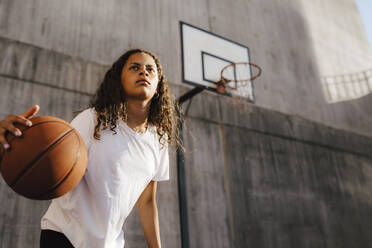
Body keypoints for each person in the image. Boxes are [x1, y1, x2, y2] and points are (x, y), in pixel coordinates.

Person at [0, 49, 180, 248]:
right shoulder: (93, 120)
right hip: (64, 235)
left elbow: (146, 201)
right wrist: (19, 141)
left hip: (110, 243)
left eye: (150, 70)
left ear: (157, 88)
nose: (144, 72)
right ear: (119, 80)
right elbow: (53, 153)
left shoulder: (158, 140)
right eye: (134, 67)